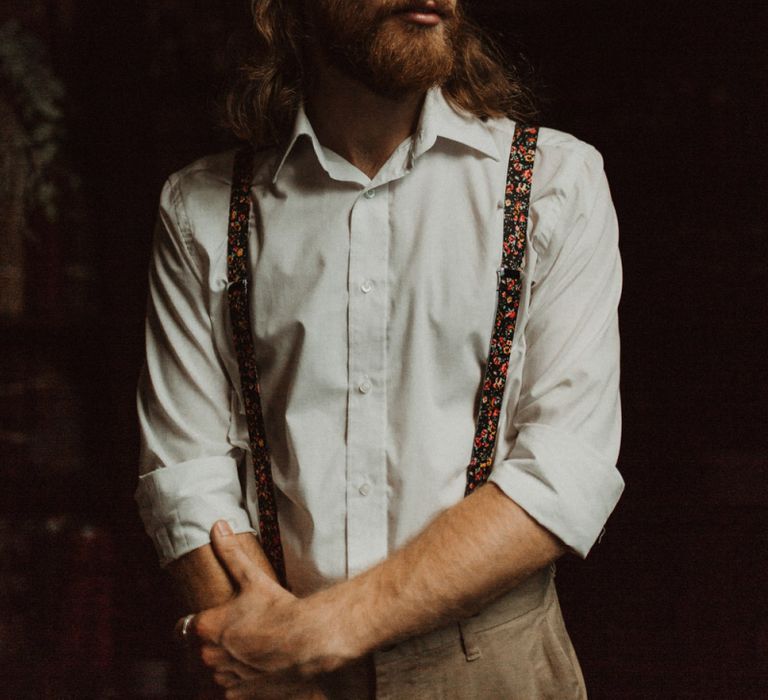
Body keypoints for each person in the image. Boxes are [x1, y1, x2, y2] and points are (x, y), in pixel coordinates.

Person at [136, 0, 625, 697]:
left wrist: (319, 632)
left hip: (495, 670)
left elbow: (565, 468)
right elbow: (184, 474)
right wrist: (272, 661)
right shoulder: (204, 206)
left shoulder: (555, 184)